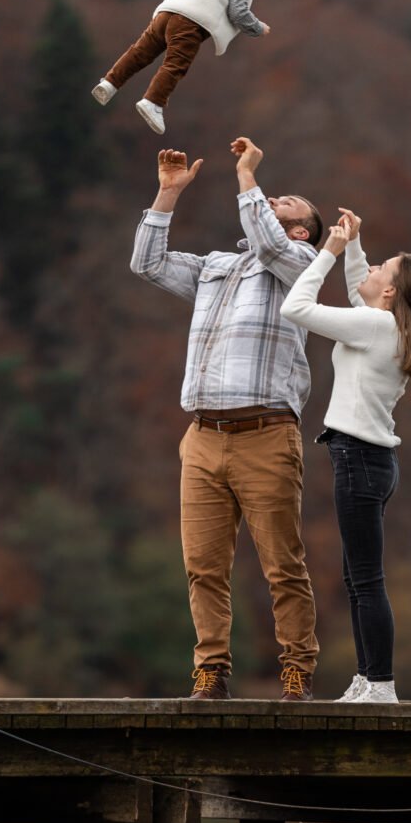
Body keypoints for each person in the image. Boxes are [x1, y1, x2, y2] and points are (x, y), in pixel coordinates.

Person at [130, 137, 322, 702]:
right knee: (203, 566)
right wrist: (167, 195)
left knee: (282, 565)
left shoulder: (303, 266)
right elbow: (147, 263)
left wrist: (247, 176)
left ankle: (297, 671)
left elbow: (267, 240)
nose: (276, 199)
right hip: (203, 436)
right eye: (273, 196)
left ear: (302, 231)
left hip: (266, 433)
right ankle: (210, 671)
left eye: (289, 202)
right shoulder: (217, 266)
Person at [280, 208, 411, 705]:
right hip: (368, 462)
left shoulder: (374, 326)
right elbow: (358, 294)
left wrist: (329, 252)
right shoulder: (384, 326)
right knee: (358, 578)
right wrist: (354, 244)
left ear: (389, 293)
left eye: (380, 268)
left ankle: (381, 684)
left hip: (360, 461)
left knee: (365, 580)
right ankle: (368, 678)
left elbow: (296, 307)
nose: (370, 268)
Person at [94, 0, 270, 135]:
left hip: (165, 13)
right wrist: (258, 28)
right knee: (176, 64)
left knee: (139, 52)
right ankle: (153, 101)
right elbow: (239, 13)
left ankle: (110, 83)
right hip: (189, 23)